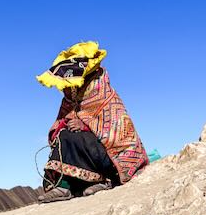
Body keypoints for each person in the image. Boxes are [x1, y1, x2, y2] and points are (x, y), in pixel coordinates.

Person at [36, 41, 148, 203]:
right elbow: (58, 124)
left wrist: (86, 125)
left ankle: (106, 180)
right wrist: (64, 126)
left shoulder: (103, 94)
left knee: (78, 137)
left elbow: (114, 131)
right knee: (64, 135)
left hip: (114, 155)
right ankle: (64, 186)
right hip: (86, 153)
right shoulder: (70, 98)